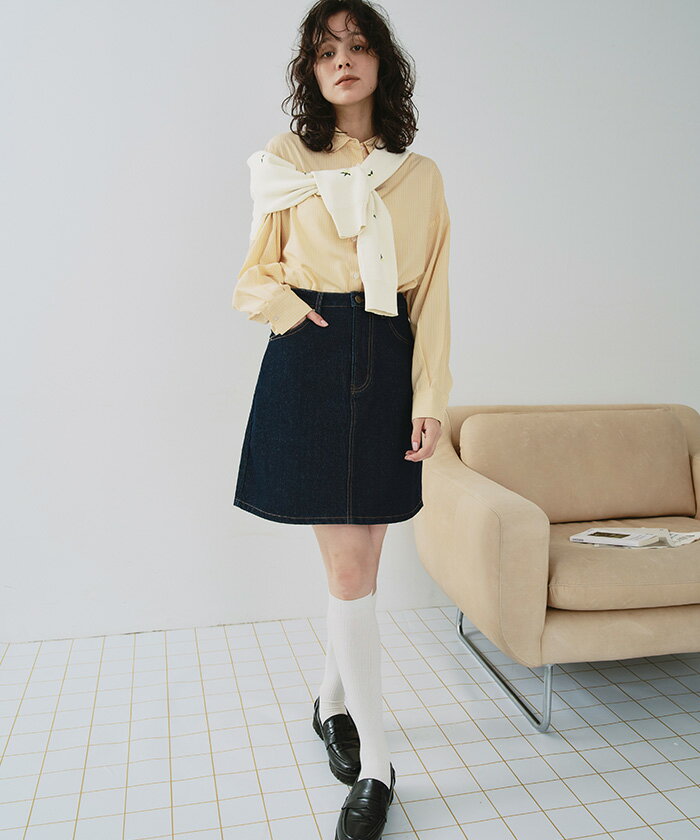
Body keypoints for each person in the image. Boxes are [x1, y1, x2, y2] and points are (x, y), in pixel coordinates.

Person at [231, 2, 452, 838]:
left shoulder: (419, 175)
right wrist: (296, 316)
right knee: (351, 569)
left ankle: (330, 704)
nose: (344, 60)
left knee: (364, 564)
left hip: (389, 356)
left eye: (358, 46)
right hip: (313, 355)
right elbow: (252, 275)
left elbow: (433, 298)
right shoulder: (287, 160)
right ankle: (378, 766)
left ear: (381, 63)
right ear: (311, 70)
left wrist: (429, 399)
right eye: (327, 51)